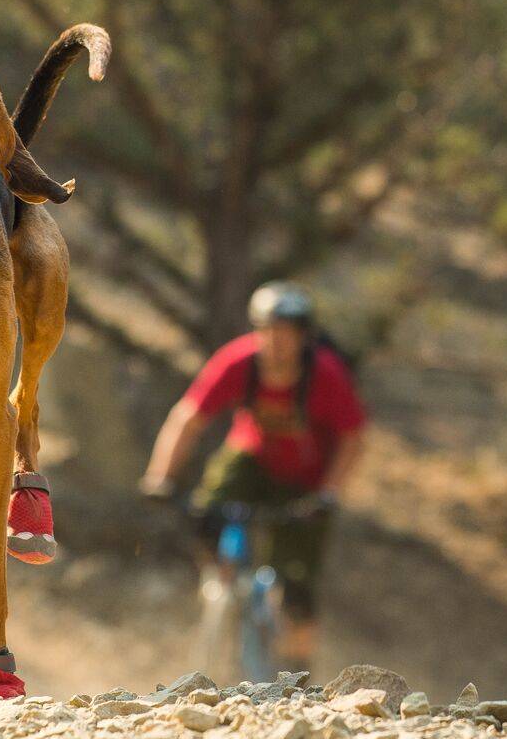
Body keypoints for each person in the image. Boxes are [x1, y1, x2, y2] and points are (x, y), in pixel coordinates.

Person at [140, 282, 367, 670]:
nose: (276, 342)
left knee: (296, 585)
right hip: (253, 459)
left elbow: (353, 437)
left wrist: (329, 493)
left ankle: (298, 670)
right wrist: (160, 477)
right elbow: (188, 418)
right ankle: (222, 585)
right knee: (205, 509)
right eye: (268, 331)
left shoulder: (326, 375)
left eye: (287, 334)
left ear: (303, 337)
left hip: (306, 481)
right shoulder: (238, 362)